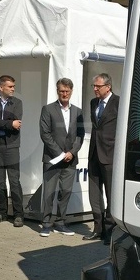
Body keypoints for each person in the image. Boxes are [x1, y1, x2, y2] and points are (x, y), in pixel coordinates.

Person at [38, 78, 84, 237]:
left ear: (71, 92)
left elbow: (80, 135)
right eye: (61, 91)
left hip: (70, 159)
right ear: (57, 91)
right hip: (52, 159)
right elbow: (45, 133)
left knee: (66, 191)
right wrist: (60, 153)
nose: (64, 94)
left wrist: (72, 152)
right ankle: (46, 223)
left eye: (67, 91)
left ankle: (61, 222)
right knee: (49, 192)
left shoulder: (78, 111)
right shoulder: (48, 109)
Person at [0, 75, 25, 227]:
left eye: (13, 86)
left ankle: (18, 214)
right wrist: (9, 123)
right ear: (1, 88)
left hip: (11, 145)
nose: (13, 89)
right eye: (10, 86)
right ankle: (1, 212)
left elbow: (17, 121)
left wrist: (3, 123)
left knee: (14, 180)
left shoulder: (17, 103)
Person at [85, 73, 119, 244]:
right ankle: (97, 229)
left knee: (111, 194)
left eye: (98, 86)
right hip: (94, 154)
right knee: (94, 194)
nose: (95, 89)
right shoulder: (94, 103)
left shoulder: (118, 103)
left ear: (108, 86)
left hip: (110, 155)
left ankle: (110, 231)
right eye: (94, 86)